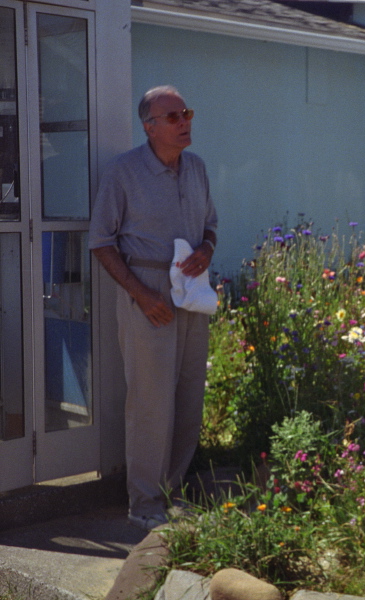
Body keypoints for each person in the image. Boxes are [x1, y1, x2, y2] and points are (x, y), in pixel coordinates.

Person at [88, 85, 218, 531]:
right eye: (174, 116)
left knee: (188, 396)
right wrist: (142, 295)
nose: (185, 122)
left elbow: (212, 227)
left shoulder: (197, 169)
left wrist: (206, 249)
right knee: (150, 401)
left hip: (192, 292)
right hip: (147, 294)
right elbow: (101, 242)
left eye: (187, 112)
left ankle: (173, 493)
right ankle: (144, 504)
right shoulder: (124, 173)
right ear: (149, 126)